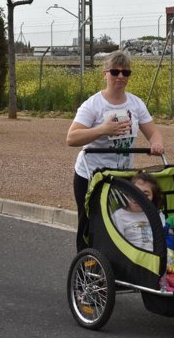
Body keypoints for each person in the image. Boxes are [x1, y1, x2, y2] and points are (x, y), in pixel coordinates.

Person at [66, 50, 165, 252]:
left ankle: (115, 268)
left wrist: (156, 143)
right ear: (105, 74)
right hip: (91, 176)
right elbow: (72, 138)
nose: (120, 76)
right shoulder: (93, 105)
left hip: (121, 176)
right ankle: (86, 268)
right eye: (115, 72)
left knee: (118, 223)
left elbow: (153, 132)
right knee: (91, 224)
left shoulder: (136, 104)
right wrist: (103, 129)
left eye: (125, 73)